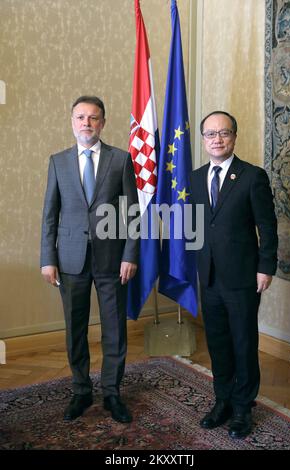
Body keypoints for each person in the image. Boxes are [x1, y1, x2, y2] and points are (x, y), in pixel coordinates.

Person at [40, 95, 139, 423]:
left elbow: (132, 215)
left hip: (113, 260)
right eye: (81, 117)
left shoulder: (121, 160)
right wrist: (47, 258)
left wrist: (130, 254)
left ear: (103, 123)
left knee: (114, 329)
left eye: (93, 118)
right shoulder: (58, 162)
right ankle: (81, 390)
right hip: (69, 260)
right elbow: (50, 215)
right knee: (75, 329)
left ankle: (112, 392)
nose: (87, 123)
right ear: (72, 122)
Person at [190, 111, 278, 439]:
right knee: (218, 343)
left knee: (243, 343)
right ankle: (223, 401)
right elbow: (195, 226)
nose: (217, 139)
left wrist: (265, 267)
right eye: (211, 134)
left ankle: (243, 408)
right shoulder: (195, 178)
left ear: (234, 137)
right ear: (203, 140)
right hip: (209, 277)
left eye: (223, 133)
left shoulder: (252, 177)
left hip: (243, 278)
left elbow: (267, 228)